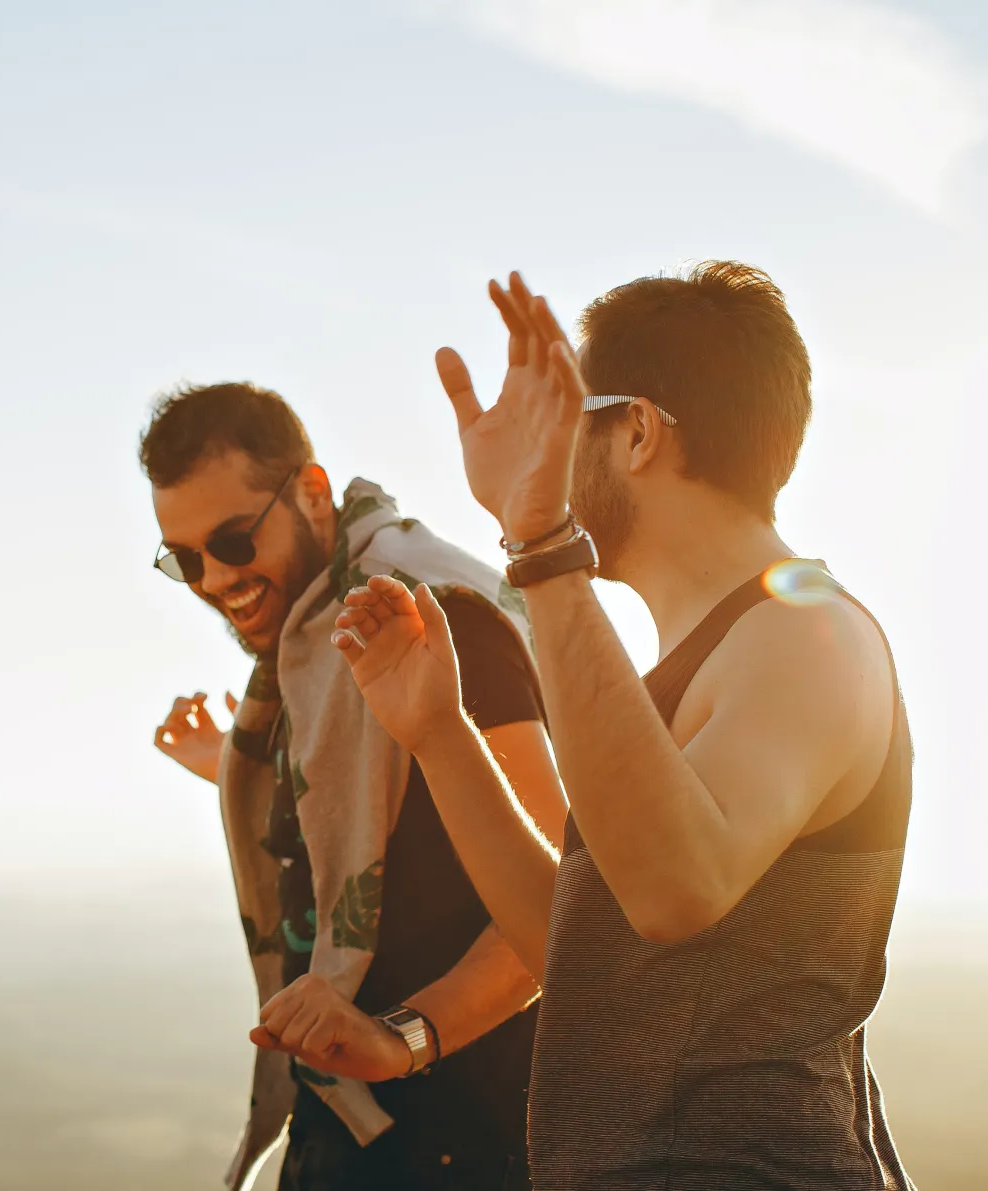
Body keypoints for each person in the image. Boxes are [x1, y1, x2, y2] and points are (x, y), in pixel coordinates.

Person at [322, 264, 912, 1189]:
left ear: (636, 430)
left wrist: (539, 540)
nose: (544, 455)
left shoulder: (808, 632)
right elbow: (580, 946)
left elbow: (674, 890)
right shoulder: (694, 667)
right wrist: (439, 731)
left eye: (570, 420)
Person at [143, 383, 564, 1191]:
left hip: (464, 1138)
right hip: (347, 1128)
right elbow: (380, 819)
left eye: (231, 541)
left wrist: (402, 1038)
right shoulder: (309, 646)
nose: (211, 579)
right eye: (183, 559)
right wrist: (236, 764)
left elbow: (554, 904)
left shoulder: (433, 617)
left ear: (308, 491)